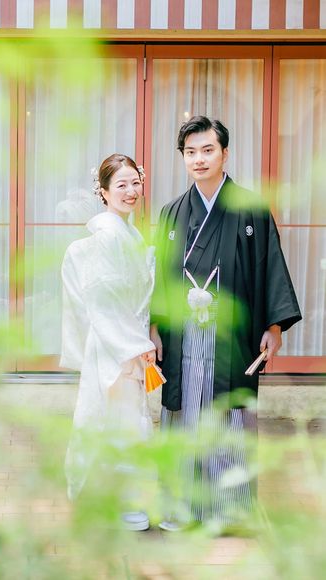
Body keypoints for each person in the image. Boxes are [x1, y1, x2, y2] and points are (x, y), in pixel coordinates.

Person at [150, 116, 302, 531]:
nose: (199, 159)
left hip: (231, 334)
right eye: (190, 152)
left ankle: (229, 509)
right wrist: (155, 326)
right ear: (183, 158)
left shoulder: (250, 208)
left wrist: (274, 326)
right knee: (184, 411)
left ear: (224, 154)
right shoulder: (171, 212)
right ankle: (181, 505)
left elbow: (270, 266)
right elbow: (160, 276)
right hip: (184, 334)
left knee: (228, 413)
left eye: (207, 150)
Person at [60, 154, 157, 531]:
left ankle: (119, 499)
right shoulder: (107, 236)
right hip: (115, 346)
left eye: (135, 182)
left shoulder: (128, 233)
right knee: (118, 422)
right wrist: (134, 344)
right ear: (103, 192)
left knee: (124, 421)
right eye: (121, 185)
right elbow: (102, 299)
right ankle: (117, 502)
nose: (130, 191)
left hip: (127, 341)